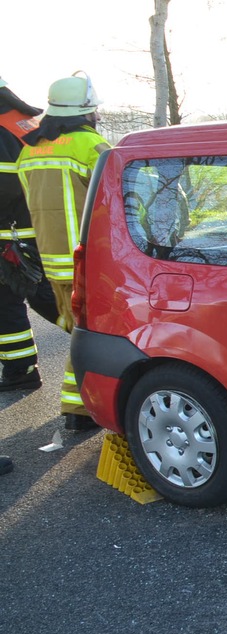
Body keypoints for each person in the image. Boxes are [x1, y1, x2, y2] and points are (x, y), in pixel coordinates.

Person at [16, 73, 110, 429]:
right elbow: (118, 197)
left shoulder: (31, 148)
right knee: (95, 332)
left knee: (79, 328)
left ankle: (77, 409)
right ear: (87, 112)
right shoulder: (90, 146)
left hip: (52, 261)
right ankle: (82, 411)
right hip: (90, 258)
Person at [1, 77, 57, 393]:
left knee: (39, 296)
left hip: (12, 233)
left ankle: (97, 340)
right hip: (34, 226)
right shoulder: (21, 122)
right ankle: (18, 369)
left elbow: (5, 182)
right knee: (14, 298)